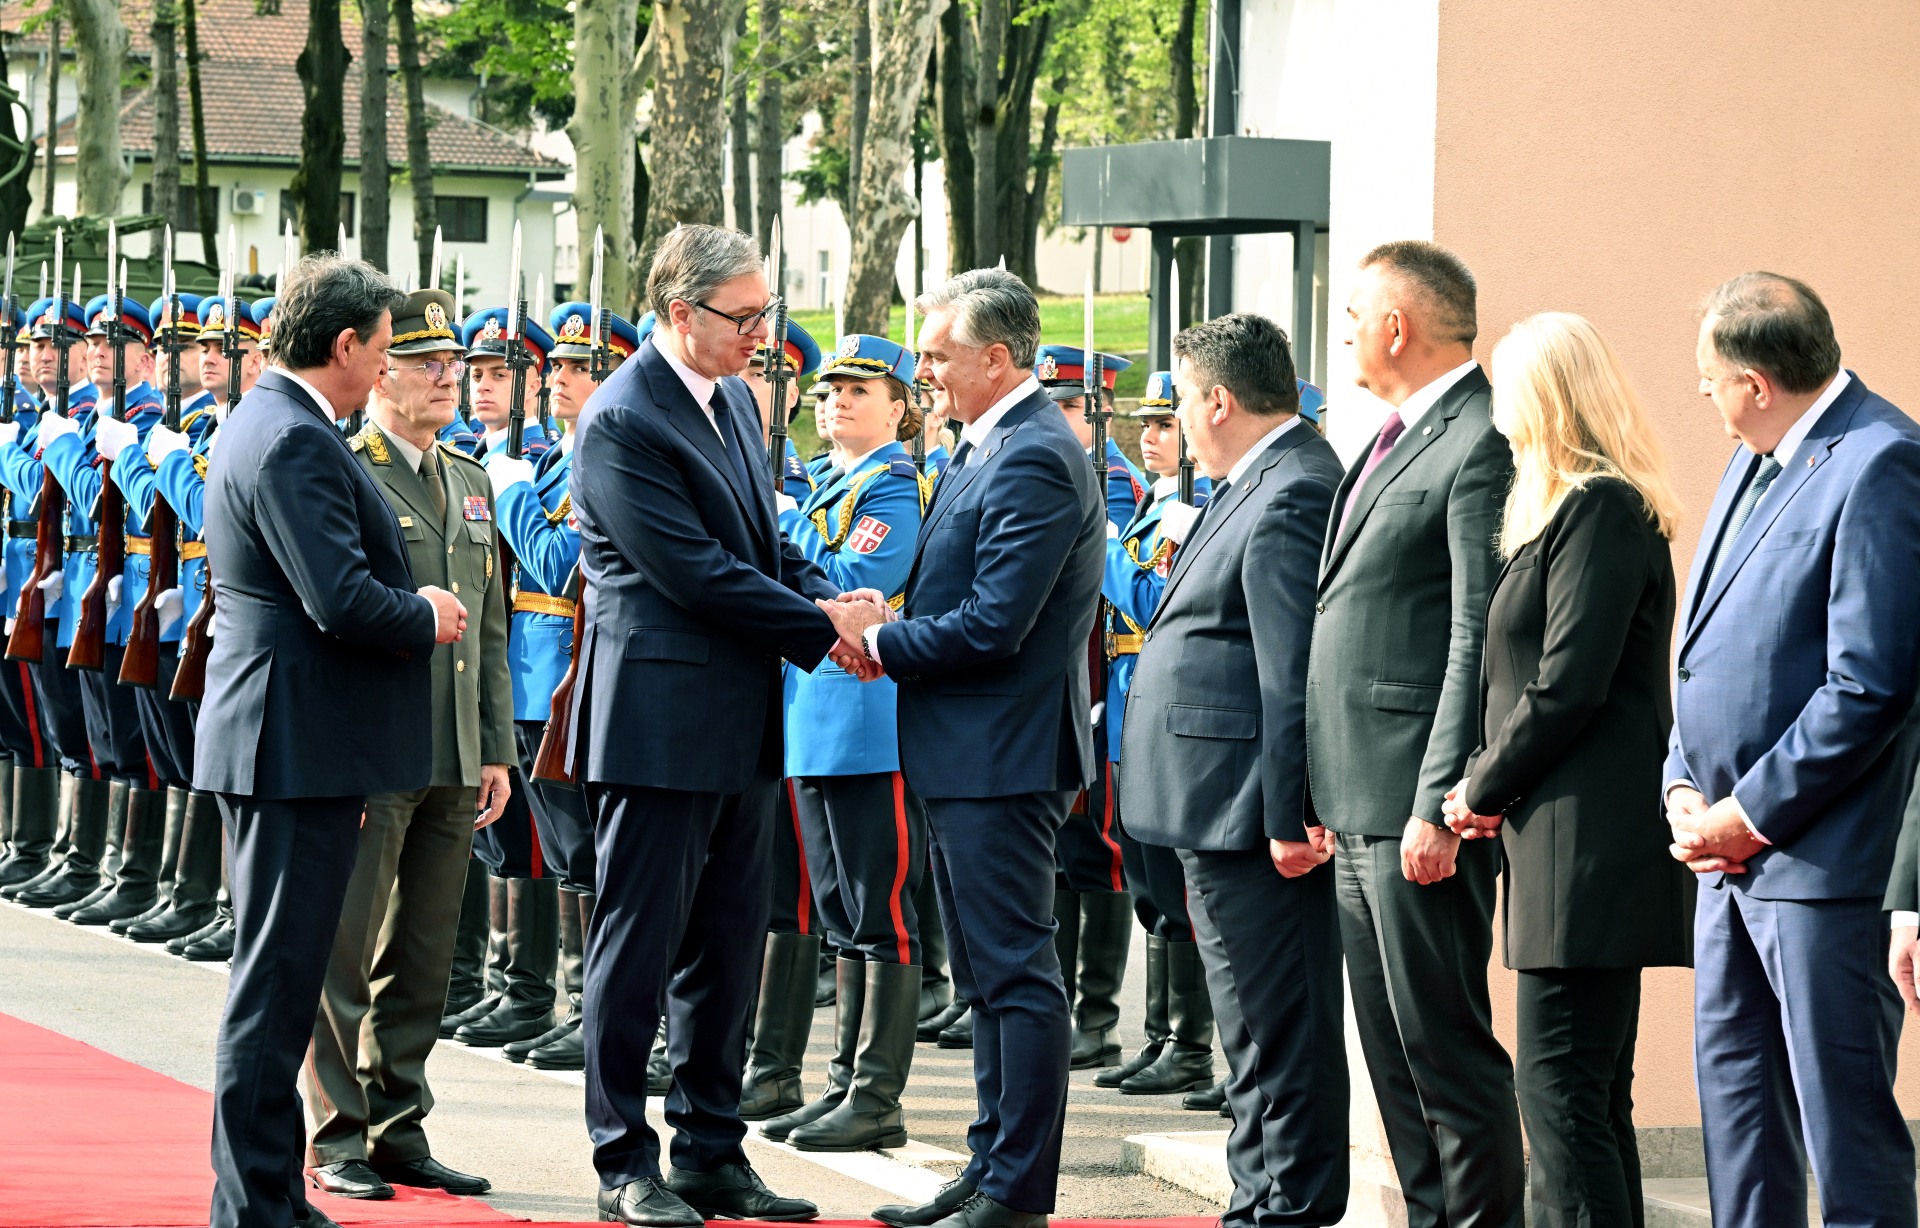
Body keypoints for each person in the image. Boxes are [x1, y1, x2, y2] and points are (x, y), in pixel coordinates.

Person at [819, 268, 1105, 1228]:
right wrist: (887, 622)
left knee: (1015, 975)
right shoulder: (987, 446)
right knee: (986, 976)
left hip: (1002, 755)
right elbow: (958, 599)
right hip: (969, 749)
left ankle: (1017, 1191)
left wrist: (882, 643)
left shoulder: (1029, 454)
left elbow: (994, 625)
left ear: (997, 357)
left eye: (939, 356)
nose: (927, 371)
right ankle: (989, 1169)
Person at [565, 223, 832, 1228]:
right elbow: (693, 572)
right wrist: (819, 627)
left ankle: (712, 1148)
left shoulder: (730, 405)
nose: (763, 332)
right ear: (683, 313)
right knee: (637, 950)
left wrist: (828, 598)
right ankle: (622, 1159)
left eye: (766, 312)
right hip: (660, 724)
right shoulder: (625, 418)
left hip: (740, 721)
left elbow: (761, 542)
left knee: (727, 948)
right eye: (746, 315)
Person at [197, 255, 467, 1228]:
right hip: (289, 745)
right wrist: (426, 609)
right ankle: (253, 1202)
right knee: (274, 988)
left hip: (289, 739)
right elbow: (340, 598)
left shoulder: (272, 423)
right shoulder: (297, 438)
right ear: (346, 345)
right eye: (389, 348)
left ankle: (268, 1190)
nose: (393, 363)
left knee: (283, 977)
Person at [1666, 273, 1920, 1228]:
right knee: (1740, 1128)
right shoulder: (1754, 456)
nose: (1705, 397)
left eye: (1709, 379)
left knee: (1842, 1133)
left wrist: (1747, 814)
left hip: (1819, 869)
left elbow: (1870, 684)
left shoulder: (1881, 461)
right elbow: (1705, 656)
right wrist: (1684, 784)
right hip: (1725, 866)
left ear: (1756, 381)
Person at [1439, 313, 1693, 1227]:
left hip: (1587, 843)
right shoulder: (1569, 507)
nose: (1497, 409)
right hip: (1558, 835)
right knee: (1585, 1098)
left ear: (1546, 394)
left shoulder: (1598, 507)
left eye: (1508, 387)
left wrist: (1477, 784)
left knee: (1563, 1098)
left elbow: (1566, 684)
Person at [1304, 239, 1523, 1228]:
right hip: (1353, 799)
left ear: (1397, 325)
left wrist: (1443, 798)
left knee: (1444, 1046)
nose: (1346, 330)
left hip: (1414, 806)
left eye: (1355, 314)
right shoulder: (1393, 436)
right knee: (1391, 1053)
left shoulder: (1479, 437)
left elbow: (1475, 636)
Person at [1121, 314, 1348, 1226]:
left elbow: (1290, 672)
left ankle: (1284, 1206)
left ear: (1219, 399)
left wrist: (1288, 814)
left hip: (1251, 815)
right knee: (1248, 1030)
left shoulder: (1293, 487)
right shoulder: (1256, 479)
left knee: (1273, 1029)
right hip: (1215, 809)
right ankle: (1259, 1200)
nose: (1179, 418)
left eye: (1182, 399)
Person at [303, 289, 513, 1201]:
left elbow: (491, 628)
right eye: (426, 361)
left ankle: (399, 1123)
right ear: (378, 369)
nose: (445, 377)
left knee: (424, 951)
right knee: (347, 948)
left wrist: (497, 748)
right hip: (376, 745)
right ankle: (336, 1133)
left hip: (454, 751)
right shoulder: (350, 468)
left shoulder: (470, 480)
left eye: (453, 364)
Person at [760, 334, 927, 1153]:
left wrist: (786, 549)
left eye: (861, 390)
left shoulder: (895, 490)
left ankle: (877, 1095)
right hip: (811, 719)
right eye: (829, 392)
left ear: (900, 406)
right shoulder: (827, 483)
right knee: (837, 913)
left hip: (868, 721)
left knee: (879, 908)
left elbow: (849, 583)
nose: (838, 402)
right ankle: (840, 1084)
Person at [1093, 371, 1215, 1098]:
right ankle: (1162, 1035)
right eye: (1147, 423)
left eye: (1166, 423)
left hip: (1159, 705)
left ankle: (1192, 1046)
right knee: (1149, 884)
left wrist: (1101, 548)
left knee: (1177, 887)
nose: (1151, 435)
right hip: (1126, 706)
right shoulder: (1155, 506)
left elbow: (1147, 597)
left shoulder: (1189, 510)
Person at [1029, 344, 1144, 1071]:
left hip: (1105, 682)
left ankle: (1097, 1016)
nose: (1060, 416)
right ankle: (1071, 1004)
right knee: (1068, 857)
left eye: (1072, 405)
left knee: (1101, 853)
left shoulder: (1117, 483)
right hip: (1068, 681)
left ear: (1100, 412)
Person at [119, 294, 231, 951]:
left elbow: (203, 512)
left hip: (215, 608)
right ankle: (176, 888)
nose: (198, 360)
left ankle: (202, 897)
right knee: (175, 754)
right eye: (198, 348)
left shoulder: (228, 429)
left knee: (207, 762)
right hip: (180, 604)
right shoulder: (201, 432)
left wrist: (148, 461)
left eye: (216, 349)